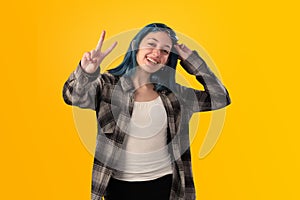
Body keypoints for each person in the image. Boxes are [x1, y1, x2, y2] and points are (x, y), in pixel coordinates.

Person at [63, 23, 231, 200]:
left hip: (166, 186)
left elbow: (220, 97)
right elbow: (72, 96)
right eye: (151, 44)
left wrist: (193, 62)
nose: (157, 53)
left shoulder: (175, 94)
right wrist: (86, 72)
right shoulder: (108, 86)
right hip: (118, 187)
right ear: (136, 45)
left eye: (165, 51)